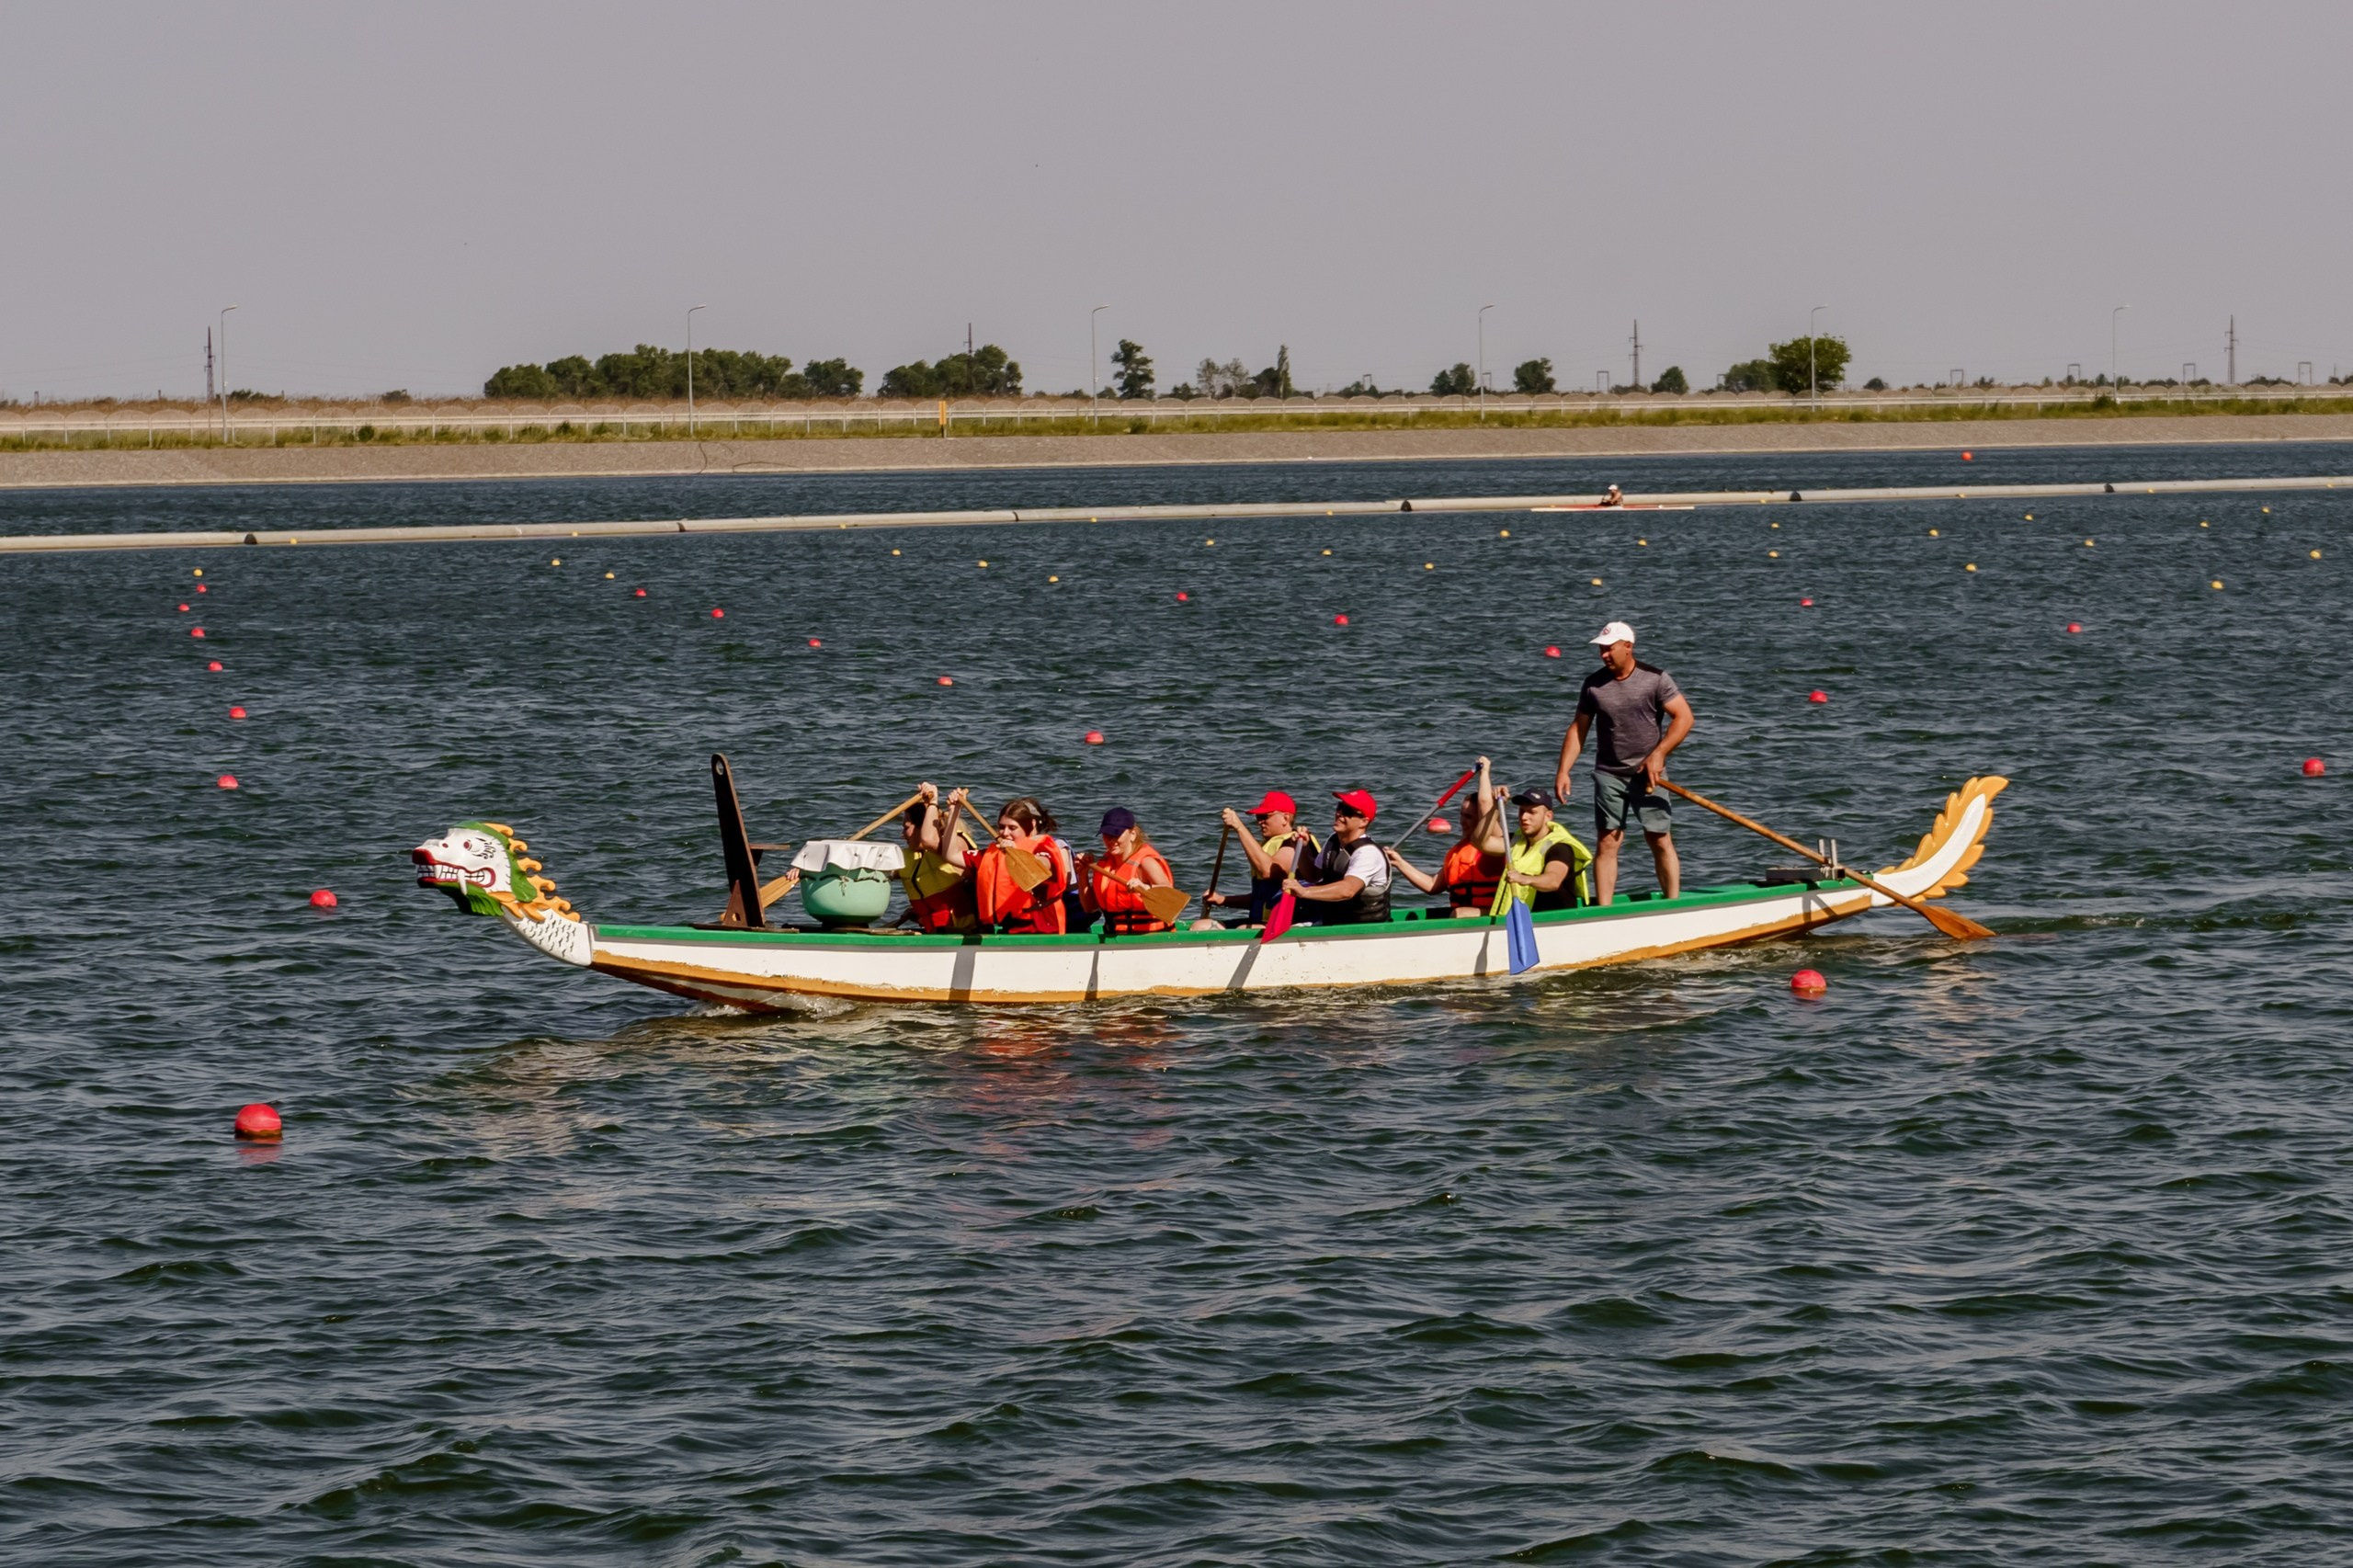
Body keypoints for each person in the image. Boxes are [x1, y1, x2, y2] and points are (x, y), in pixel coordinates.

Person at [1553, 619, 1695, 903]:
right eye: (1601, 650)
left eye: (1609, 649)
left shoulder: (1655, 679)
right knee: (1608, 841)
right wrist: (1563, 770)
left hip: (1649, 775)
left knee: (1658, 837)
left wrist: (1659, 754)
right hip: (1608, 773)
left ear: (1628, 647)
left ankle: (1673, 904)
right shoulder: (1593, 685)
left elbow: (1685, 718)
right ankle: (1605, 910)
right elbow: (1578, 728)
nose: (1604, 655)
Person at [1384, 756, 1506, 917]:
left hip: (1494, 916)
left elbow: (1485, 806)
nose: (1462, 821)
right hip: (1462, 915)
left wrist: (1484, 773)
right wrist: (1399, 863)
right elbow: (1433, 886)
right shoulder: (1456, 852)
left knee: (1460, 913)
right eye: (1462, 815)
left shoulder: (1494, 844)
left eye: (1469, 817)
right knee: (1457, 913)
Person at [948, 789, 1074, 934]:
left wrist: (1016, 853)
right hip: (1008, 926)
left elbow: (1043, 865)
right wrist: (954, 812)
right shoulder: (993, 853)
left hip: (1040, 928)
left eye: (1012, 828)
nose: (1005, 833)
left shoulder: (1043, 847)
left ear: (1030, 826)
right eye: (1001, 827)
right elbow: (951, 855)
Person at [1199, 790, 1316, 927]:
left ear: (1285, 818)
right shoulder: (1269, 845)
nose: (1260, 822)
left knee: (1242, 930)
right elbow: (1260, 899)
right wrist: (1222, 900)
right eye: (1258, 817)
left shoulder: (1295, 843)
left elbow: (1268, 871)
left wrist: (1239, 827)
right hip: (1262, 922)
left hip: (1290, 924)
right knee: (1201, 926)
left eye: (1265, 816)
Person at [1282, 789, 1392, 926]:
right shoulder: (1333, 841)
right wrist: (1301, 848)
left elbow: (1348, 890)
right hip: (1334, 920)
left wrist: (1304, 892)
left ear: (1363, 822)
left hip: (1363, 927)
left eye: (1347, 811)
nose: (1339, 813)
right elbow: (1312, 875)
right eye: (1339, 807)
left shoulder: (1368, 853)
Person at [1077, 807, 1177, 935]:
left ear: (1133, 834)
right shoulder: (1103, 867)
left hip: (1150, 936)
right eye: (1107, 835)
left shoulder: (1146, 863)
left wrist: (1145, 888)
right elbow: (1089, 908)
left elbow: (1170, 898)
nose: (1111, 840)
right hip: (1115, 935)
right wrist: (1083, 874)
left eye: (1116, 834)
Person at [896, 781, 977, 933]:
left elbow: (928, 840)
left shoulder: (955, 843)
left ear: (922, 826)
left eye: (906, 828)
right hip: (936, 931)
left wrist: (932, 803)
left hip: (966, 931)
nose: (902, 834)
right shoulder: (909, 856)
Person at [1495, 787, 1594, 912]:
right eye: (1522, 811)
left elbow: (1553, 881)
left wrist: (1525, 879)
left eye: (1532, 812)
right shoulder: (1518, 839)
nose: (1524, 817)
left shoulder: (1560, 848)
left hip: (1556, 919)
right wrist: (1495, 807)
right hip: (1525, 914)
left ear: (1548, 816)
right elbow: (1482, 842)